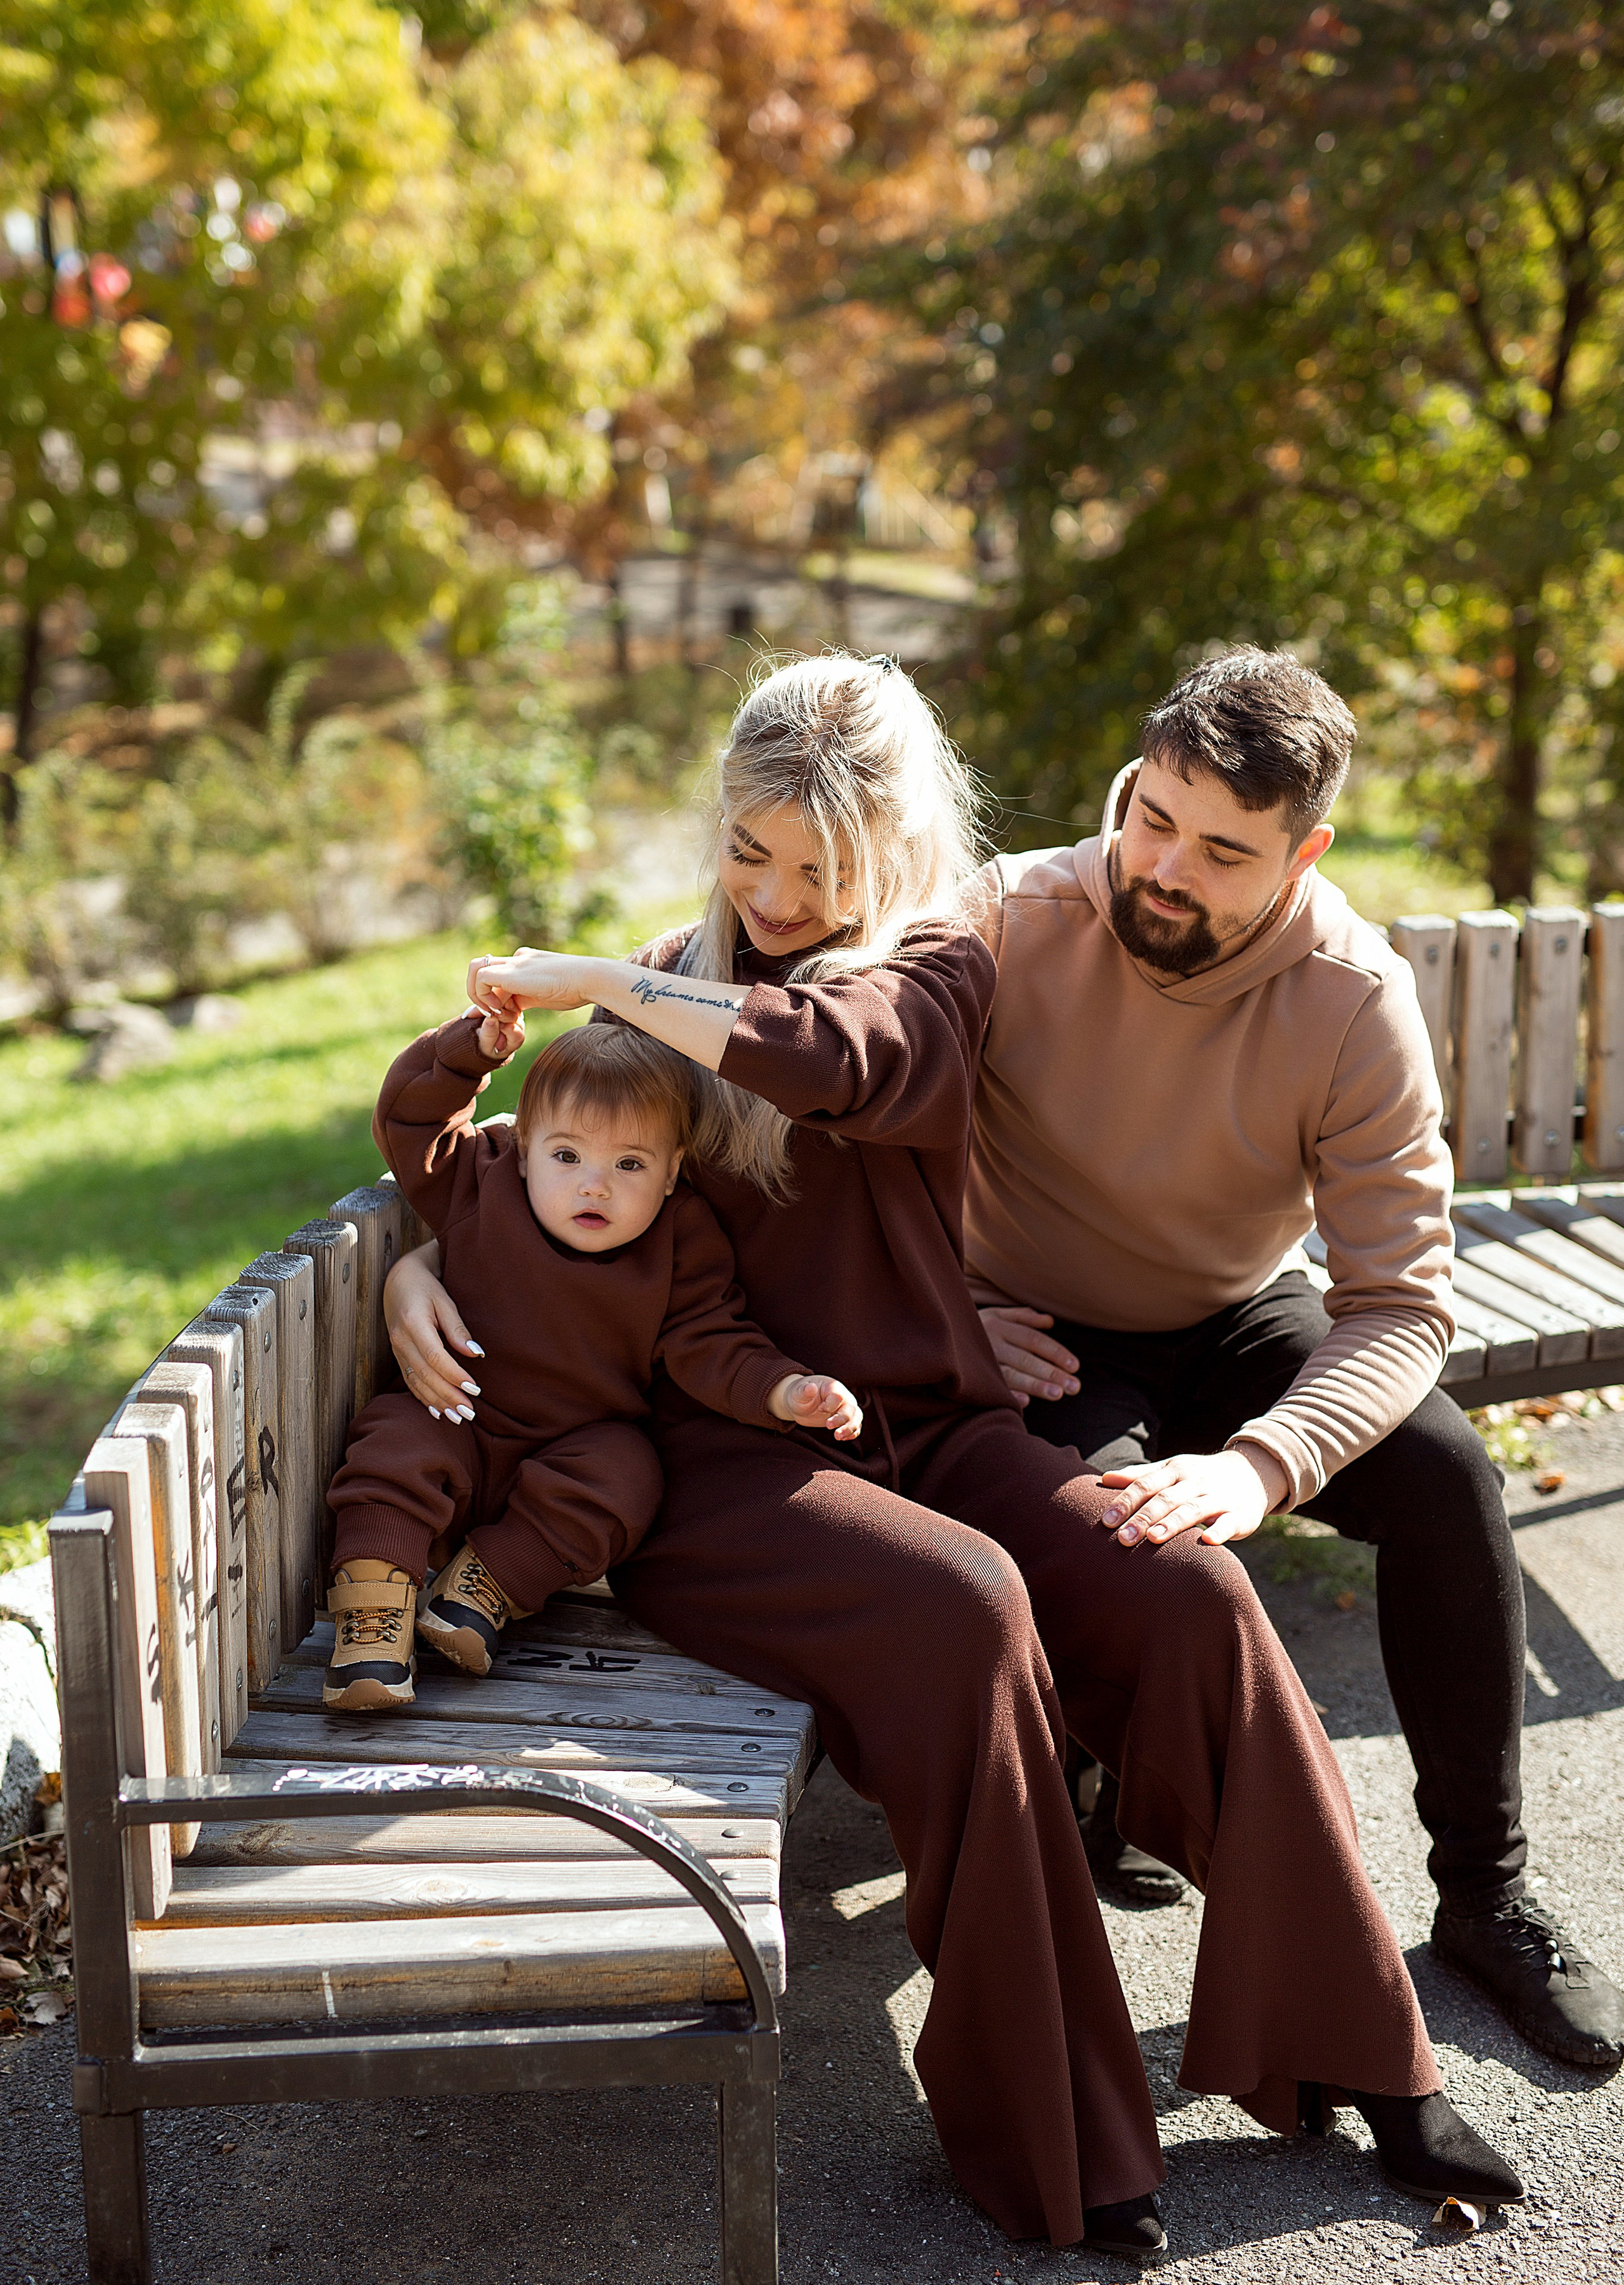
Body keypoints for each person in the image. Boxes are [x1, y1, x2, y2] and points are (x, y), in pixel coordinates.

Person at [384, 653, 1522, 2260]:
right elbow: (530, 1158)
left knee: (1181, 1584)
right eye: (751, 853)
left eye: (822, 869)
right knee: (968, 1607)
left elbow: (829, 1059)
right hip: (721, 1461)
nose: (778, 896)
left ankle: (1356, 2050)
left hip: (929, 1423)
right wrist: (418, 1260)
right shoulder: (656, 982)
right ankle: (1044, 2122)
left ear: (892, 856)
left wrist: (603, 977)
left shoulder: (926, 968)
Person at [967, 645, 1624, 2073]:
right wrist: (932, 1316)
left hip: (1228, 1307)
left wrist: (1267, 1463)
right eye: (1149, 816)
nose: (1161, 866)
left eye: (1219, 852)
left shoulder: (1349, 994)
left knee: (1449, 1481)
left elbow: (1399, 1306)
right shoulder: (1007, 915)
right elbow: (806, 1080)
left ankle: (1485, 1902)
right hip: (1023, 1326)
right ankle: (1098, 1797)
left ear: (1301, 853)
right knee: (1131, 1543)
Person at [323, 1011, 861, 1710]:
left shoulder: (682, 1242)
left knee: (627, 1477)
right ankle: (372, 1622)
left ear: (672, 1175)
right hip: (457, 1409)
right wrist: (466, 1055)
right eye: (567, 1156)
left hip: (574, 1443)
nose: (594, 1186)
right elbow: (409, 1124)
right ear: (523, 1151)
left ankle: (481, 1591)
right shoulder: (482, 1183)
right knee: (392, 1449)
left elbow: (714, 1341)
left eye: (629, 1164)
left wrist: (786, 1390)